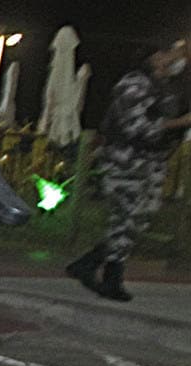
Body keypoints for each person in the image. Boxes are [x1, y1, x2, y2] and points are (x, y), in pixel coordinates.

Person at [66, 39, 190, 301]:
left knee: (141, 218)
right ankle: (112, 276)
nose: (175, 58)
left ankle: (88, 262)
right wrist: (181, 122)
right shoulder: (133, 84)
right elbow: (138, 128)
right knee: (124, 216)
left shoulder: (164, 87)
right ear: (153, 59)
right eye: (167, 53)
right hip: (125, 159)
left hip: (152, 160)